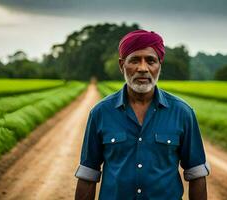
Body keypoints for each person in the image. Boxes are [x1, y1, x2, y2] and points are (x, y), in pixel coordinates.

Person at [74, 30, 210, 200]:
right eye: (135, 60)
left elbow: (196, 174)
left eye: (151, 60)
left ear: (160, 65)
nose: (143, 68)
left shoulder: (183, 113)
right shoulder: (100, 112)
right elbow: (88, 175)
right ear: (122, 64)